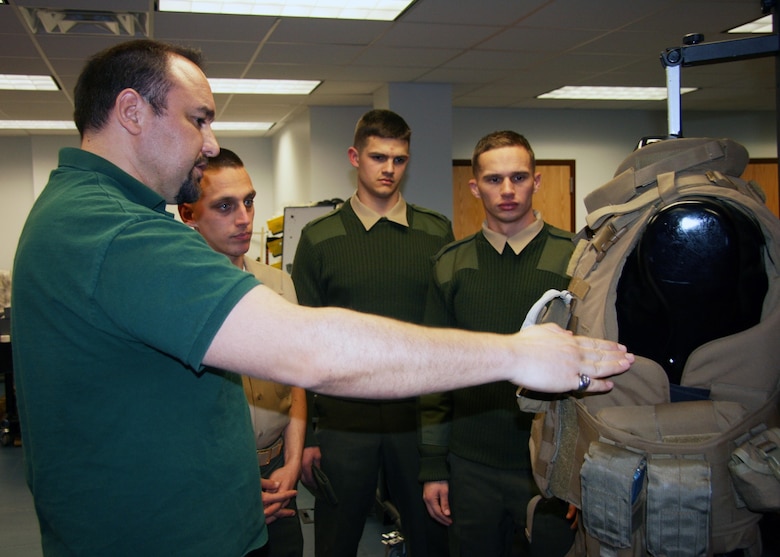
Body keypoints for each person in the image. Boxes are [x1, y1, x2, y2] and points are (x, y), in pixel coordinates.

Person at [10, 38, 631, 557]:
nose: (208, 143)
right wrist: (516, 355)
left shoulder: (90, 214)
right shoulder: (115, 230)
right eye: (198, 118)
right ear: (131, 111)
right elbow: (313, 351)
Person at [291, 108, 454, 557]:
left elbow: (447, 334)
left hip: (417, 421)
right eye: (378, 157)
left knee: (430, 540)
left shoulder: (436, 232)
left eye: (399, 159)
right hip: (344, 422)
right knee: (336, 541)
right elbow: (304, 342)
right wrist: (307, 438)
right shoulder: (320, 238)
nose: (389, 169)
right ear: (354, 157)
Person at [419, 131, 577, 556]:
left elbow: (592, 366)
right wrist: (434, 465)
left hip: (551, 466)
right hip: (472, 465)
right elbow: (434, 374)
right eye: (493, 180)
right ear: (475, 187)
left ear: (537, 181)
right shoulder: (451, 264)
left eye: (518, 177)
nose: (507, 190)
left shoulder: (576, 259)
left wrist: (583, 468)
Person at [178, 147, 305, 557]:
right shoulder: (178, 295)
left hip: (278, 472)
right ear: (188, 213)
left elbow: (297, 381)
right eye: (225, 206)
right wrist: (238, 479)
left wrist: (292, 463)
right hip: (213, 480)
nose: (245, 218)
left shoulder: (278, 284)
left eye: (249, 201)